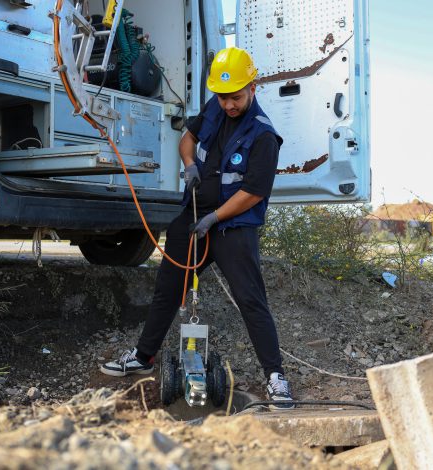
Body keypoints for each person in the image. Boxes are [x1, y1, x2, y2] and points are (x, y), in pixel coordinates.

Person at [100, 47, 293, 406]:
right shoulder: (214, 110)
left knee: (251, 301)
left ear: (254, 87)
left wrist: (215, 218)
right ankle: (143, 357)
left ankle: (276, 377)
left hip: (233, 227)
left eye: (235, 97)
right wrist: (189, 164)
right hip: (192, 217)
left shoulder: (264, 136)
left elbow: (252, 192)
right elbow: (188, 139)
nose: (229, 105)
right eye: (222, 98)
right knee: (167, 289)